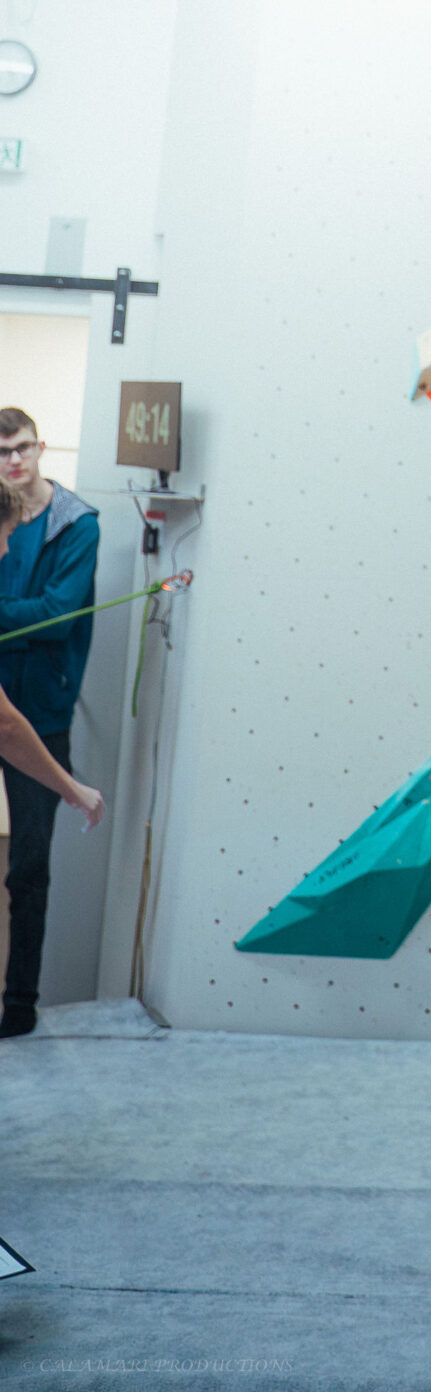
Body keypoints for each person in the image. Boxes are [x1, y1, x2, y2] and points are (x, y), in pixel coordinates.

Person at [0, 406, 105, 1037]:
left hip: (39, 711)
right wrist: (25, 614)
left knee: (29, 867)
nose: (13, 460)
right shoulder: (1, 517)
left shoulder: (75, 524)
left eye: (21, 448)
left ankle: (19, 1007)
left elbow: (58, 617)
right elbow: (34, 613)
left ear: (41, 448)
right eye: (1, 452)